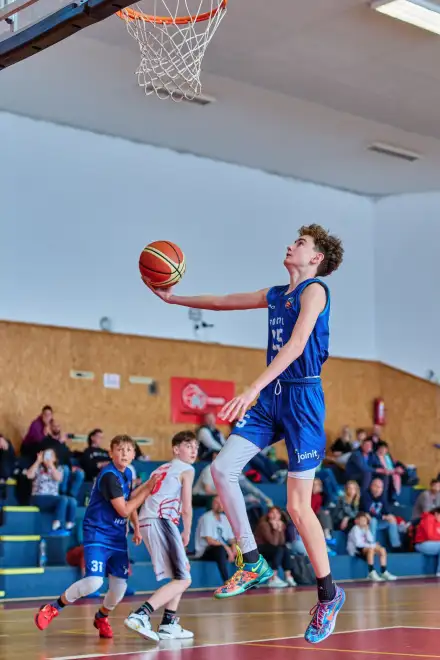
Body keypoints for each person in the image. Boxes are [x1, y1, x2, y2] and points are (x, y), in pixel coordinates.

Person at [145, 224, 345, 644]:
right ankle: (252, 560)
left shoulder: (315, 291)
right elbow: (222, 302)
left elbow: (296, 345)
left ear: (316, 258)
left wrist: (251, 388)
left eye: (301, 243)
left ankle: (329, 595)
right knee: (221, 469)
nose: (291, 244)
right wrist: (173, 298)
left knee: (297, 507)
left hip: (303, 399)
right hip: (274, 397)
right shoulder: (277, 294)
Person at [34, 435, 157, 638]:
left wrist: (136, 526)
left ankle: (101, 617)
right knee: (94, 582)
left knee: (120, 587)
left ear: (134, 454)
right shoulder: (109, 476)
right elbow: (124, 509)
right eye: (120, 449)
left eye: (128, 450)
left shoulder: (127, 473)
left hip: (117, 536)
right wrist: (148, 490)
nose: (124, 453)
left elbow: (130, 500)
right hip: (98, 533)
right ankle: (52, 608)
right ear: (111, 453)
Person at [125, 431, 198, 642]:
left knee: (182, 572)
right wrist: (187, 531)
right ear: (176, 449)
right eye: (188, 446)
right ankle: (141, 615)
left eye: (196, 447)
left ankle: (168, 623)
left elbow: (134, 495)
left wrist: (136, 524)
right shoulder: (187, 469)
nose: (194, 450)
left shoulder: (160, 469)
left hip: (148, 522)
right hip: (161, 521)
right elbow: (187, 507)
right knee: (183, 579)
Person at [28, 449, 77, 533]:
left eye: (51, 455)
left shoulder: (58, 468)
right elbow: (29, 475)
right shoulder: (38, 468)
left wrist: (51, 465)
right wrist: (38, 461)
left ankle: (69, 525)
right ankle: (57, 524)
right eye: (46, 455)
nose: (48, 457)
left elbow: (59, 478)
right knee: (63, 499)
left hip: (53, 498)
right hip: (39, 497)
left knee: (72, 501)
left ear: (55, 458)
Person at [194, 496, 236, 584]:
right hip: (205, 551)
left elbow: (231, 539)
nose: (220, 505)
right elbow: (209, 540)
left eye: (222, 503)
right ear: (212, 504)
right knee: (220, 549)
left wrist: (234, 548)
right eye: (217, 503)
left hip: (222, 550)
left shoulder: (225, 518)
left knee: (243, 549)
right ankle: (227, 581)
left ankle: (247, 581)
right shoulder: (206, 517)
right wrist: (227, 549)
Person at [347, 512, 396, 582]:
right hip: (356, 551)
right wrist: (373, 545)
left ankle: (383, 571)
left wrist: (367, 531)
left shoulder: (366, 528)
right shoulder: (355, 529)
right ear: (356, 521)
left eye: (365, 520)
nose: (364, 522)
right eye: (362, 520)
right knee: (371, 550)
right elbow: (358, 544)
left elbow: (371, 540)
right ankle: (371, 572)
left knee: (382, 549)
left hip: (365, 548)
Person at [254, 506, 297, 587]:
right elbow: (273, 543)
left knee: (285, 549)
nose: (275, 515)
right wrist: (275, 529)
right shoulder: (264, 525)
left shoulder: (280, 524)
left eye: (277, 513)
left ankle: (288, 576)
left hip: (272, 549)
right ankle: (272, 578)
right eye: (272, 513)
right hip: (260, 549)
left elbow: (281, 542)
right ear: (268, 514)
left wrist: (280, 529)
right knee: (279, 549)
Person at [360, 478, 401, 550]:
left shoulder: (382, 496)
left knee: (392, 519)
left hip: (377, 522)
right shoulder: (366, 495)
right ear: (371, 486)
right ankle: (371, 545)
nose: (378, 489)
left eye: (380, 487)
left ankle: (396, 546)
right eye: (376, 486)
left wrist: (389, 516)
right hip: (366, 523)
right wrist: (383, 517)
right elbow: (368, 512)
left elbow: (386, 510)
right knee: (373, 520)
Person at [414, 507, 440, 577]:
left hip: (434, 544)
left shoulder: (438, 522)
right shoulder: (429, 518)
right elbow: (430, 536)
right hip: (422, 544)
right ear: (436, 514)